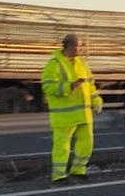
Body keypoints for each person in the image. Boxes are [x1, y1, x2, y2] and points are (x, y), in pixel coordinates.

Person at [41, 34, 102, 184]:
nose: (80, 49)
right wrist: (69, 86)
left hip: (84, 114)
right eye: (78, 46)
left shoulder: (83, 64)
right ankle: (59, 175)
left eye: (81, 46)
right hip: (64, 116)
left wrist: (97, 100)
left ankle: (79, 170)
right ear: (68, 46)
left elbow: (91, 85)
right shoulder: (54, 64)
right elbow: (47, 86)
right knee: (62, 146)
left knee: (86, 143)